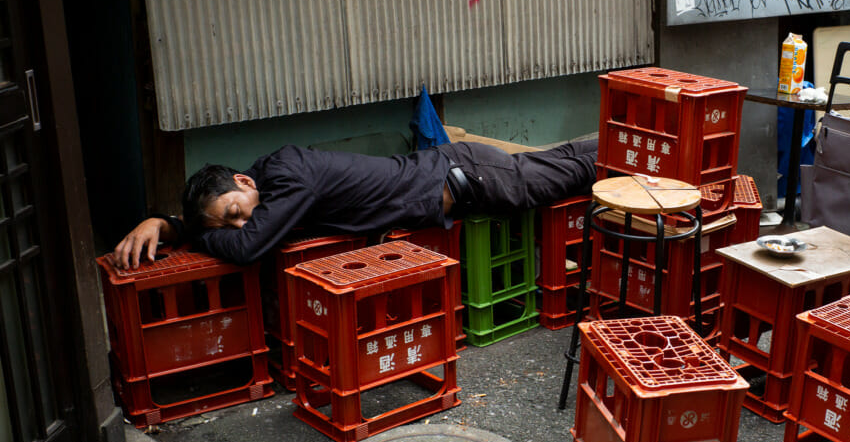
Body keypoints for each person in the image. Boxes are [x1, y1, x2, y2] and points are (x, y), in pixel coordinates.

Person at [113, 138, 598, 268]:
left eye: (236, 214)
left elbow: (248, 250)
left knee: (581, 171)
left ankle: (660, 160)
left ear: (243, 180)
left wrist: (189, 232)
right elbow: (242, 238)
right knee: (567, 161)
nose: (243, 225)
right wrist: (168, 223)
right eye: (230, 223)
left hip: (471, 177)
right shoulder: (272, 181)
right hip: (458, 172)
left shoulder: (288, 177)